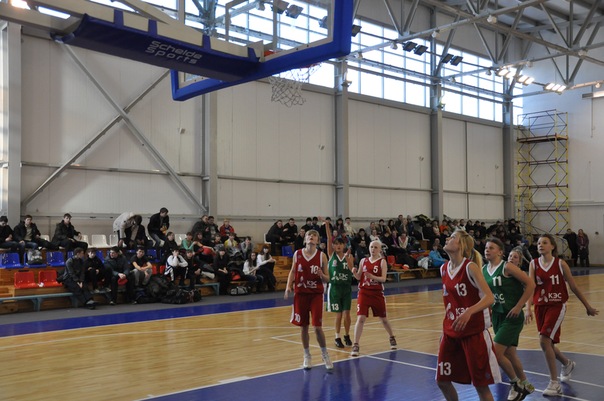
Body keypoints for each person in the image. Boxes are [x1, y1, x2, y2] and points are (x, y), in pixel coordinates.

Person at [526, 233, 599, 396]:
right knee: (548, 344)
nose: (540, 245)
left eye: (544, 242)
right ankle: (567, 363)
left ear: (552, 246)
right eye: (538, 243)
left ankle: (554, 383)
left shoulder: (560, 264)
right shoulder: (533, 264)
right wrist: (528, 308)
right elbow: (531, 288)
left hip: (557, 305)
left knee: (544, 340)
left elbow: (573, 286)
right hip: (540, 307)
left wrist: (587, 306)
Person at [436, 229, 500, 401]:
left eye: (452, 237)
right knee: (442, 381)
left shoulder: (470, 267)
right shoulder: (443, 268)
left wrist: (469, 311)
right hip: (451, 333)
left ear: (461, 245)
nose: (447, 238)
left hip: (473, 334)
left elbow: (489, 297)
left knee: (481, 386)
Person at [482, 238, 536, 401]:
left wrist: (520, 306)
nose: (487, 250)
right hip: (497, 315)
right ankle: (526, 384)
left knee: (496, 353)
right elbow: (487, 295)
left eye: (491, 248)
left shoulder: (507, 267)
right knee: (510, 354)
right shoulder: (484, 269)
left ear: (500, 252)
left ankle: (516, 384)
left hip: (512, 316)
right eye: (486, 247)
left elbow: (531, 284)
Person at [284, 229, 333, 371]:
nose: (311, 237)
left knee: (317, 327)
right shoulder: (297, 254)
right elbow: (293, 271)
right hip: (301, 294)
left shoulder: (322, 256)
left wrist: (321, 275)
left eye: (314, 236)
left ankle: (325, 354)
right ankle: (307, 355)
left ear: (317, 240)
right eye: (309, 235)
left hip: (316, 294)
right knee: (303, 326)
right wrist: (288, 286)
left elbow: (328, 278)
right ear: (305, 239)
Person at [350, 239, 397, 357]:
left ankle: (392, 337)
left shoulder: (382, 262)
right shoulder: (363, 261)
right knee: (361, 318)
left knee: (383, 319)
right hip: (364, 292)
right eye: (371, 247)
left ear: (380, 249)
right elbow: (359, 277)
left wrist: (372, 276)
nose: (373, 249)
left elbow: (383, 279)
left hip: (377, 293)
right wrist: (354, 273)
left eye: (376, 247)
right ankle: (356, 344)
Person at [325, 220, 354, 349]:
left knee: (347, 314)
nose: (338, 246)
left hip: (346, 288)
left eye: (340, 244)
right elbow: (328, 238)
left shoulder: (349, 256)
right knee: (339, 314)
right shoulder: (331, 255)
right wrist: (327, 225)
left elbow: (352, 270)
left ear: (344, 245)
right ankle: (337, 337)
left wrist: (348, 259)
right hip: (335, 288)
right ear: (333, 246)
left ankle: (347, 335)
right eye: (336, 244)